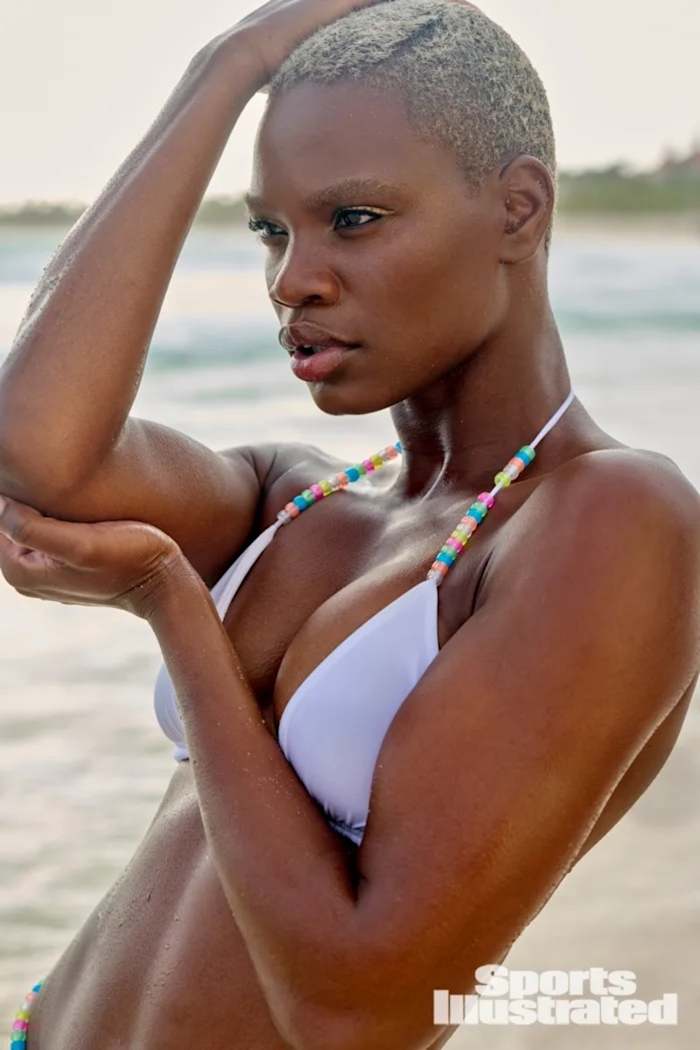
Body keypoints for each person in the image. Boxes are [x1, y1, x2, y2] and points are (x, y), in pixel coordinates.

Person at [0, 0, 698, 1046]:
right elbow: (35, 453)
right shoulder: (298, 501)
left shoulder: (611, 519)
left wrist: (172, 606)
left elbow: (360, 1011)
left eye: (353, 221)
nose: (293, 281)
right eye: (270, 231)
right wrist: (222, 71)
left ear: (518, 209)